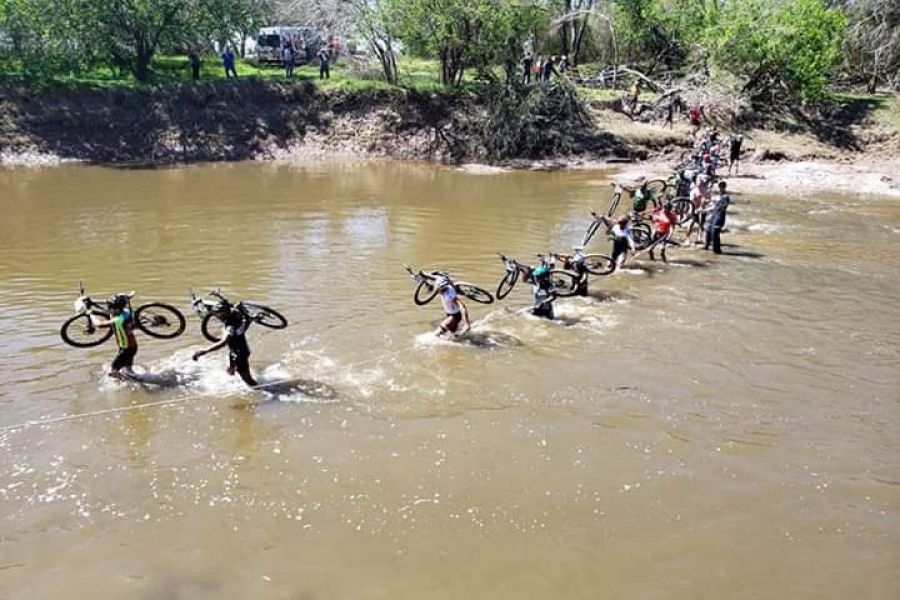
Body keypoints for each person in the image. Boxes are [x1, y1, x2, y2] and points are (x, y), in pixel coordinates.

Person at [192, 306, 257, 387]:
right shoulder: (236, 315)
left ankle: (264, 390)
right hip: (238, 350)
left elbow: (223, 342)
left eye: (218, 315)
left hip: (239, 354)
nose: (217, 317)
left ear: (223, 314)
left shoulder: (230, 328)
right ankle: (233, 372)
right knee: (231, 370)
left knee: (247, 379)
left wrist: (205, 351)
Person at [91, 294, 139, 380]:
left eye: (111, 308)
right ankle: (131, 374)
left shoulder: (118, 320)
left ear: (117, 309)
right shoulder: (126, 313)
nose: (109, 310)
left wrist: (91, 315)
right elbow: (108, 310)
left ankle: (127, 381)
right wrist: (93, 301)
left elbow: (99, 324)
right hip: (131, 346)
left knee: (112, 371)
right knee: (127, 366)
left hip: (126, 349)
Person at [703, 181, 731, 254]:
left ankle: (717, 250)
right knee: (708, 230)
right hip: (713, 215)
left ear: (724, 188)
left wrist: (719, 206)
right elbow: (714, 207)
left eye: (721, 187)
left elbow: (723, 207)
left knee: (714, 233)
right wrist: (705, 209)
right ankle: (706, 246)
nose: (720, 189)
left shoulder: (726, 197)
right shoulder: (719, 197)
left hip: (719, 216)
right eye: (719, 187)